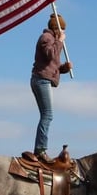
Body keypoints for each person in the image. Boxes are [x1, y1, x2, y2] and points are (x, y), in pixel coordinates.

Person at [30, 12, 73, 163]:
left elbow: (51, 64)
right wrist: (60, 41)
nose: (64, 33)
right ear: (57, 29)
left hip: (43, 79)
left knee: (46, 115)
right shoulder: (46, 38)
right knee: (48, 115)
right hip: (41, 81)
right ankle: (40, 150)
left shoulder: (51, 40)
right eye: (62, 29)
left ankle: (40, 148)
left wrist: (63, 68)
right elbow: (50, 54)